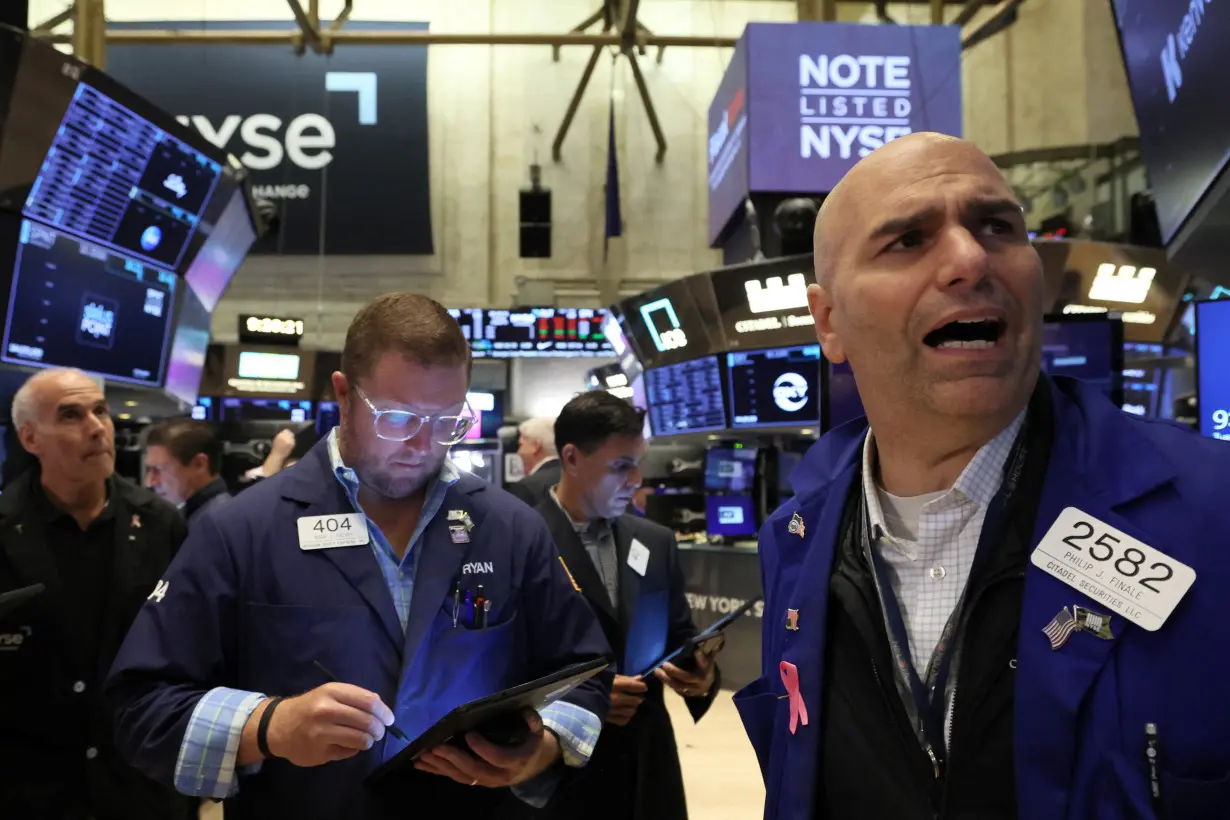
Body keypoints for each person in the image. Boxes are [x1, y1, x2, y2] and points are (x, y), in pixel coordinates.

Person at [736, 132, 1230, 820]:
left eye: (997, 226)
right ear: (829, 322)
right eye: (907, 240)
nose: (970, 259)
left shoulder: (1212, 511)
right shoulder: (795, 541)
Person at [106, 293, 614, 820]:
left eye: (446, 422)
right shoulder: (244, 531)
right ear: (344, 396)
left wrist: (544, 749)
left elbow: (584, 670)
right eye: (397, 419)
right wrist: (268, 727)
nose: (422, 444)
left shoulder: (509, 528)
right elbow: (142, 707)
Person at [512, 391, 722, 820]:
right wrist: (587, 697)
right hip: (562, 772)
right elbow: (501, 660)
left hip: (646, 768)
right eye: (621, 466)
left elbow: (678, 634)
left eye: (638, 464)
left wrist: (700, 674)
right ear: (571, 457)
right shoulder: (519, 539)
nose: (636, 480)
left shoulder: (654, 541)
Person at [0, 368, 191, 820]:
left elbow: (190, 653)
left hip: (138, 788)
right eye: (71, 415)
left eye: (100, 411)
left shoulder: (161, 525)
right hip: (26, 791)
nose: (96, 427)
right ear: (30, 439)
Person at [144, 418, 231, 524]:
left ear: (199, 465)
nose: (149, 482)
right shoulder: (214, 516)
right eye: (148, 470)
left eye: (158, 469)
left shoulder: (214, 523)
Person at [507, 416, 561, 507]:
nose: (518, 453)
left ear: (536, 446)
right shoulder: (573, 479)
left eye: (521, 445)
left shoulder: (525, 488)